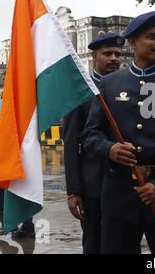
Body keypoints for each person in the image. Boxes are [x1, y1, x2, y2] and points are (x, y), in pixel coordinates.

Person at [82, 11, 155, 254]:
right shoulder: (109, 84)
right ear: (133, 42)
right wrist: (110, 149)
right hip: (119, 196)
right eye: (152, 37)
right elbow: (89, 135)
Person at [63, 32, 124, 254]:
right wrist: (73, 191)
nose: (114, 58)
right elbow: (70, 144)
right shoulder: (80, 93)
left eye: (117, 53)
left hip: (126, 183)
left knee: (124, 243)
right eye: (107, 53)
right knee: (95, 243)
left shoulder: (128, 87)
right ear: (94, 56)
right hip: (93, 186)